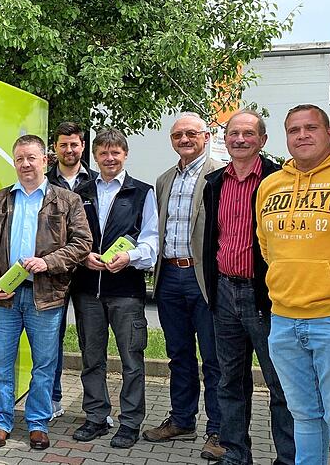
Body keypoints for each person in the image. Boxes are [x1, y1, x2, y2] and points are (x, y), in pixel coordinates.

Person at [0, 134, 92, 450]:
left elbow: (83, 244)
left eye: (31, 157)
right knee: (0, 364)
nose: (25, 164)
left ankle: (38, 423)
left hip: (46, 295)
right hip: (6, 295)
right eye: (20, 159)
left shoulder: (66, 200)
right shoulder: (0, 200)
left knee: (44, 364)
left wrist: (47, 262)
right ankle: (1, 422)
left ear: (45, 160)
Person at [256, 104, 330, 465]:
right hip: (283, 319)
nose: (302, 135)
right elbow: (266, 246)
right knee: (304, 415)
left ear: (329, 133)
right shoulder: (270, 185)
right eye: (294, 130)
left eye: (311, 127)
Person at [202, 109, 295, 465]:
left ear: (263, 140)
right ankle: (236, 453)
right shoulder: (215, 182)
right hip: (225, 292)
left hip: (265, 296)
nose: (240, 139)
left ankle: (288, 458)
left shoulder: (278, 179)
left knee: (280, 384)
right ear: (225, 139)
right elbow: (213, 238)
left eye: (248, 133)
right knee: (230, 381)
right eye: (233, 133)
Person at [143, 112, 225, 460]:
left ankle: (218, 430)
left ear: (205, 136)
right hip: (169, 278)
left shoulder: (219, 175)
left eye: (192, 133)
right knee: (178, 355)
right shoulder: (164, 179)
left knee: (214, 359)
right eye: (178, 135)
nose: (185, 140)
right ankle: (181, 419)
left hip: (203, 278)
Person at [69, 129, 158, 449]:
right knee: (92, 359)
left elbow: (152, 239)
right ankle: (96, 417)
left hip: (126, 291)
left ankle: (130, 423)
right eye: (103, 153)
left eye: (115, 153)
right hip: (87, 289)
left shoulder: (142, 192)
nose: (109, 158)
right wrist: (83, 256)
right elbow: (69, 236)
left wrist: (130, 257)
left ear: (125, 155)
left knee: (131, 360)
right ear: (94, 156)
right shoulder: (80, 192)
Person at [45, 121, 98, 418]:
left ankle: (95, 407)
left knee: (91, 341)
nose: (69, 149)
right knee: (52, 339)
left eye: (74, 144)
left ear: (82, 146)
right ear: (55, 147)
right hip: (53, 273)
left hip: (89, 273)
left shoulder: (96, 182)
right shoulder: (44, 182)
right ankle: (53, 398)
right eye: (63, 144)